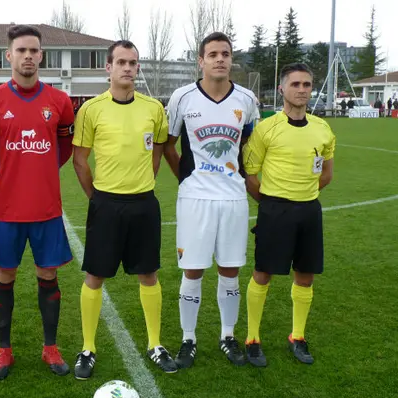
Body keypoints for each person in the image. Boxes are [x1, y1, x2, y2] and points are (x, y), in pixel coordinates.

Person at [72, 39, 176, 380]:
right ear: (108, 68)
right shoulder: (91, 109)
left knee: (149, 274)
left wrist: (144, 179)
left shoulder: (153, 108)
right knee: (95, 275)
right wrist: (96, 197)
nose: (128, 68)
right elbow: (80, 159)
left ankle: (155, 344)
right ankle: (88, 348)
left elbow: (158, 150)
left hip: (144, 203)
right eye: (121, 62)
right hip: (106, 203)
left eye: (133, 62)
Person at [0, 25, 75, 381]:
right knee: (5, 275)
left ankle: (50, 348)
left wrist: (42, 170)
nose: (28, 56)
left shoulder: (60, 102)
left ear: (41, 55)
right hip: (7, 210)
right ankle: (4, 352)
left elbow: (64, 149)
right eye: (21, 50)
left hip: (47, 209)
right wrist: (6, 172)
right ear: (9, 55)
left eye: (34, 50)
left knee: (48, 275)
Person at [161, 32, 259, 369]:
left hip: (233, 198)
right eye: (213, 54)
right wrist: (185, 177)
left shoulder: (246, 99)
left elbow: (250, 148)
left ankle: (227, 336)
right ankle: (188, 339)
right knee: (193, 270)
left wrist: (248, 181)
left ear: (232, 60)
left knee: (230, 270)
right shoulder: (183, 97)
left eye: (226, 54)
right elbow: (168, 144)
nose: (220, 59)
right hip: (195, 198)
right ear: (200, 60)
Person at [242, 63, 336, 367]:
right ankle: (253, 338)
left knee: (305, 275)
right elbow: (250, 175)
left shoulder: (322, 129)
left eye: (307, 84)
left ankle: (297, 335)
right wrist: (270, 204)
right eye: (295, 84)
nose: (302, 90)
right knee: (263, 272)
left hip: (309, 210)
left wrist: (303, 196)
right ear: (282, 89)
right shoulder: (267, 128)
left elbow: (326, 175)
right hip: (275, 210)